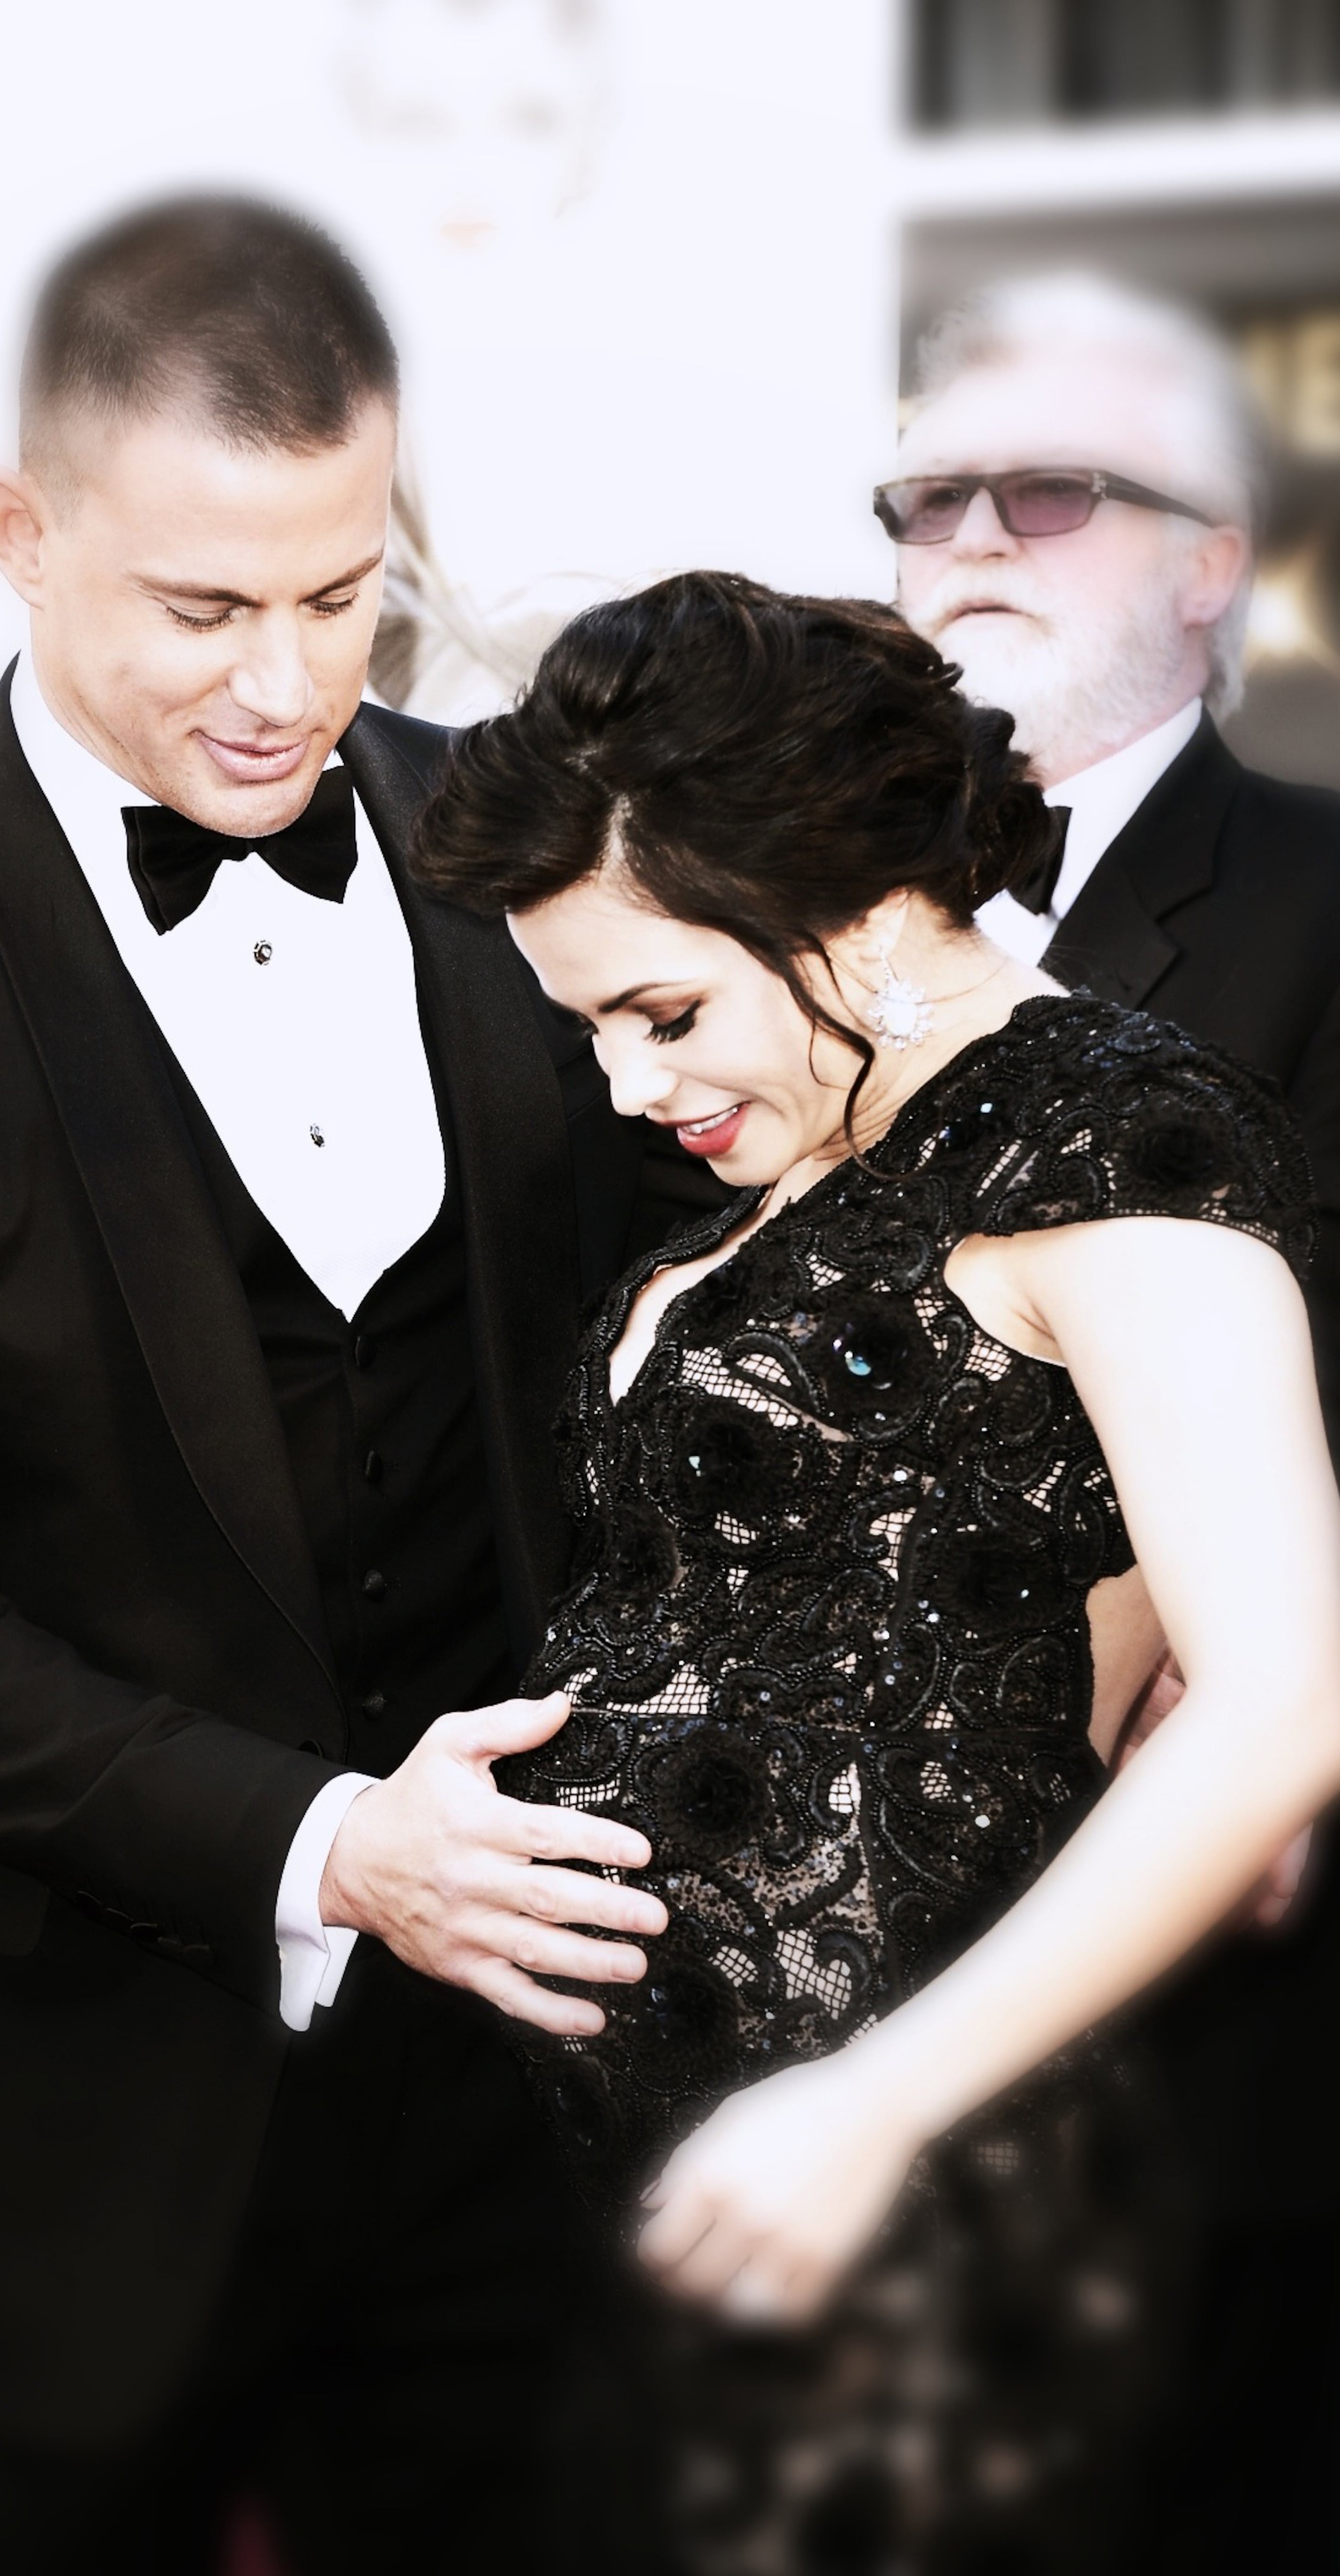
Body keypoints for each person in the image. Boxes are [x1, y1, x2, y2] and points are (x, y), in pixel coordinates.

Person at [0, 196, 701, 2575]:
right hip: (16, 2138)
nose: (288, 687)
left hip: (497, 2133)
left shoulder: (522, 852)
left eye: (346, 597)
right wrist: (337, 1855)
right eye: (206, 610)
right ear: (18, 537)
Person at [407, 569, 1340, 2574]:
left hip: (916, 2203)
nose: (632, 1090)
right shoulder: (798, 1159)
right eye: (588, 1033)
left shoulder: (1113, 1136)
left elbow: (1287, 1702)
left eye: (661, 1013)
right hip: (651, 2199)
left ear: (845, 905)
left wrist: (877, 2106)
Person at [886, 273, 1340, 2572]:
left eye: (1043, 491)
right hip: (823, 1942)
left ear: (1209, 560)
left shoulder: (1332, 895)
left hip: (1226, 1982)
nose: (968, 536)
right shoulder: (786, 930)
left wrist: (1288, 1690)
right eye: (925, 498)